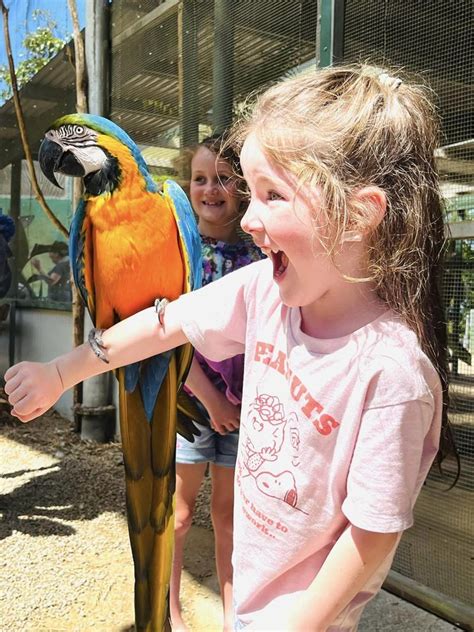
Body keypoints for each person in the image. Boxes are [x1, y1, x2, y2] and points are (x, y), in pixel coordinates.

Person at [4, 64, 453, 631]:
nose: (250, 216)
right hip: (245, 607)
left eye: (272, 195)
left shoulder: (392, 375)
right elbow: (166, 323)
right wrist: (61, 371)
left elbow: (375, 530)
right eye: (251, 192)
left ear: (359, 215)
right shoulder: (264, 290)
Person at [171, 134, 262, 632]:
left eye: (223, 178)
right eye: (200, 178)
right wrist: (211, 401)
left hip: (244, 410)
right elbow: (170, 340)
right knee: (180, 516)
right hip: (191, 407)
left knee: (229, 520)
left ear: (241, 186)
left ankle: (232, 616)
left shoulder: (260, 254)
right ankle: (170, 608)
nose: (210, 189)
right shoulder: (180, 253)